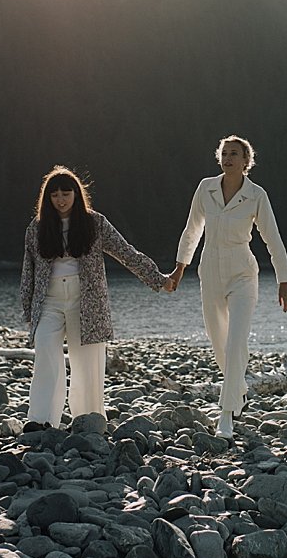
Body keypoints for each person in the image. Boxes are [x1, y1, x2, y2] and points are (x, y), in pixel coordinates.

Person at [20, 165, 175, 430]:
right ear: (47, 198)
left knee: (87, 363)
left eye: (65, 193)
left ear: (76, 194)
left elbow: (125, 252)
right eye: (54, 194)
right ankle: (41, 421)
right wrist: (28, 309)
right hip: (49, 302)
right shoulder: (37, 227)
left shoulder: (95, 223)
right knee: (46, 355)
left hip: (87, 302)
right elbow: (29, 271)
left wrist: (158, 279)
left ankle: (88, 419)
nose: (60, 199)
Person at [169, 135, 287, 439]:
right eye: (225, 153)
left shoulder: (256, 195)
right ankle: (239, 389)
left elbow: (272, 239)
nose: (228, 158)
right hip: (209, 273)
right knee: (220, 345)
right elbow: (192, 229)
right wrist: (179, 267)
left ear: (246, 161)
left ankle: (226, 414)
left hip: (242, 275)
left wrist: (284, 280)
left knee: (236, 342)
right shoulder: (205, 188)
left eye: (235, 153)